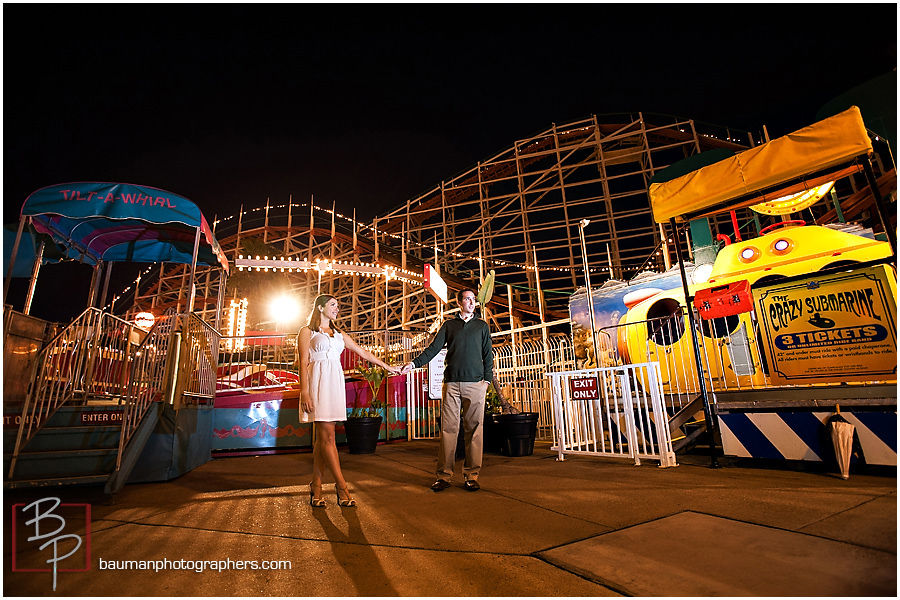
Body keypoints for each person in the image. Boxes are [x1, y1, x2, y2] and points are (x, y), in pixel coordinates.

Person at [298, 294, 400, 507]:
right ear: (320, 307)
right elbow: (303, 362)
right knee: (328, 438)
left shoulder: (339, 334)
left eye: (338, 305)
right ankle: (342, 486)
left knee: (322, 440)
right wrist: (305, 393)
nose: (337, 309)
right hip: (316, 383)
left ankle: (316, 486)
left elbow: (362, 352)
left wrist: (387, 366)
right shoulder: (307, 332)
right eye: (333, 305)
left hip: (334, 384)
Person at [401, 288, 492, 492]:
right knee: (449, 430)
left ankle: (471, 475)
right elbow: (433, 349)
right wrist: (414, 364)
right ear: (459, 302)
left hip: (476, 384)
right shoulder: (449, 325)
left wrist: (486, 381)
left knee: (475, 430)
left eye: (473, 299)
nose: (471, 302)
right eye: (467, 299)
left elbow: (488, 355)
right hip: (451, 384)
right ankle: (444, 476)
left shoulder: (482, 326)